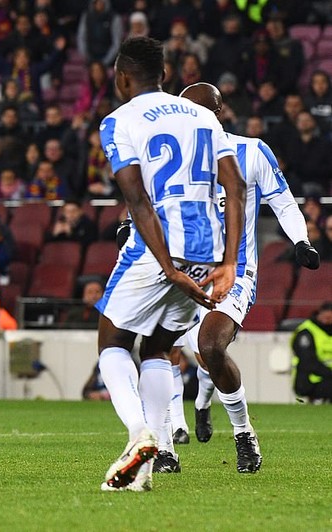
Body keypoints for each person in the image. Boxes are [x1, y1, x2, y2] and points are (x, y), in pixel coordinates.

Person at [96, 38, 245, 492]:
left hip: (157, 247)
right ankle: (153, 454)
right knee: (159, 346)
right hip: (205, 247)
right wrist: (229, 264)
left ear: (123, 77)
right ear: (163, 74)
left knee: (112, 340)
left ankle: (139, 435)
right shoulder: (203, 115)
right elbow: (234, 188)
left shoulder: (118, 120)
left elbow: (137, 200)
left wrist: (167, 266)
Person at [164, 82, 320, 474]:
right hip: (182, 271)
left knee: (210, 347)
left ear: (219, 114)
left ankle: (243, 433)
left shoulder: (251, 151)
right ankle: (165, 446)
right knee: (157, 349)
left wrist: (300, 240)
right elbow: (148, 201)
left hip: (234, 271)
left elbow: (283, 201)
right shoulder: (170, 155)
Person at [291, 302, 332, 403]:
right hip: (310, 379)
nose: (328, 320)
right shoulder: (306, 332)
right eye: (326, 317)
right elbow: (308, 361)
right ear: (319, 314)